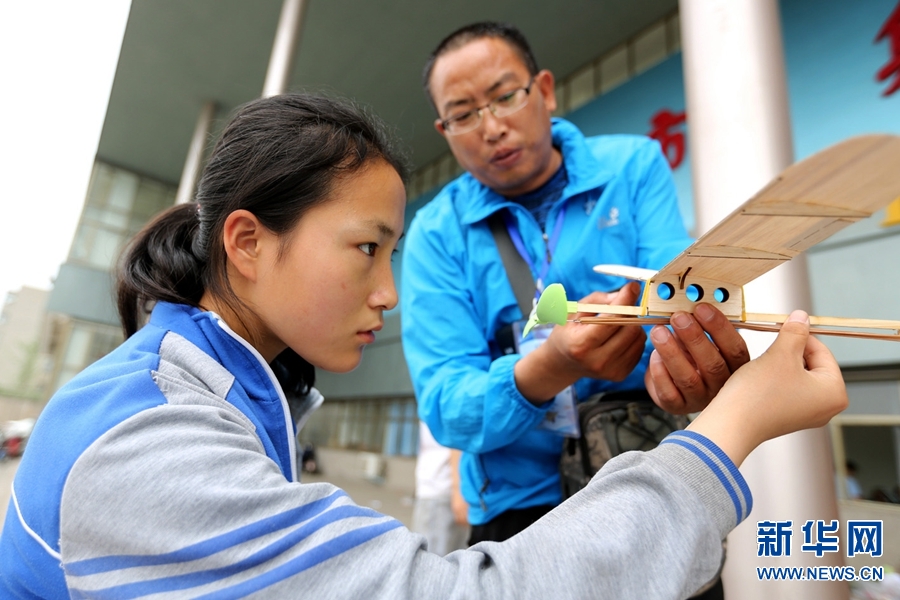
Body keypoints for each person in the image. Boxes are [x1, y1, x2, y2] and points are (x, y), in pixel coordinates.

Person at [0, 92, 845, 600]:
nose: (390, 293)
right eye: (367, 248)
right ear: (248, 244)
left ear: (545, 94)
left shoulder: (226, 390)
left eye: (392, 252)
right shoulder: (154, 443)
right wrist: (729, 432)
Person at [401, 20, 749, 549]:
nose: (491, 126)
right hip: (517, 511)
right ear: (444, 131)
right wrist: (549, 366)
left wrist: (680, 364)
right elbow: (447, 404)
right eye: (463, 114)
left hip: (645, 473)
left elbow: (674, 302)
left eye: (504, 97)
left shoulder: (632, 166)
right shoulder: (434, 231)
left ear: (544, 90)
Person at [411, 422, 470, 556]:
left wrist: (458, 491)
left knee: (434, 560)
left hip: (442, 489)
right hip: (437, 489)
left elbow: (457, 439)